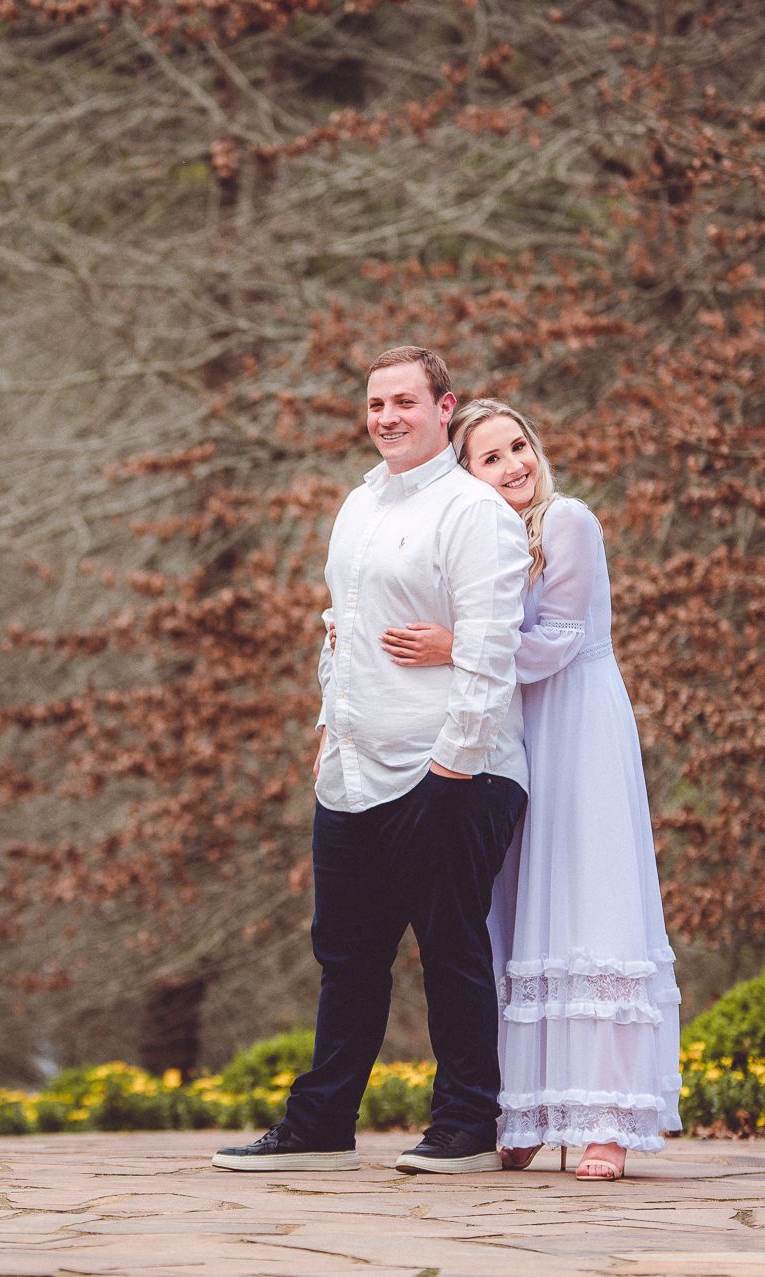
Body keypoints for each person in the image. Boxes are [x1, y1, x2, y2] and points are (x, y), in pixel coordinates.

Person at [213, 347, 531, 1175]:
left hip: (452, 771)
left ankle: (466, 1124)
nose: (387, 417)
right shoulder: (357, 503)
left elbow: (492, 652)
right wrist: (329, 728)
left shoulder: (474, 512)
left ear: (444, 407)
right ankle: (320, 1124)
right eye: (375, 403)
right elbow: (340, 627)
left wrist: (452, 772)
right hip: (353, 770)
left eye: (404, 402)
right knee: (345, 953)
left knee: (451, 946)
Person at [379, 399, 682, 1181]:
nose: (516, 464)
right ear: (468, 473)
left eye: (520, 446)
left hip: (575, 722)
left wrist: (459, 646)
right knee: (516, 913)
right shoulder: (482, 541)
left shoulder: (567, 521)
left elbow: (556, 640)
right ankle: (529, 1111)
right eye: (492, 457)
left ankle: (606, 1121)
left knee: (588, 903)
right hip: (514, 729)